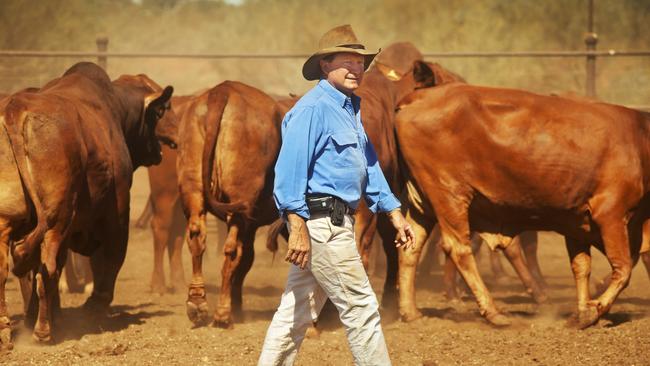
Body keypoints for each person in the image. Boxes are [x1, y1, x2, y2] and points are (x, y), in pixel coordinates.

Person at [258, 24, 415, 366]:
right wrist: (296, 227)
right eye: (348, 61)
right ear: (325, 65)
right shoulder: (311, 110)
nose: (357, 68)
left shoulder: (348, 109)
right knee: (362, 307)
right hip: (322, 225)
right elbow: (287, 175)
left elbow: (369, 165)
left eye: (361, 62)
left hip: (334, 222)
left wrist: (393, 211)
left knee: (295, 312)